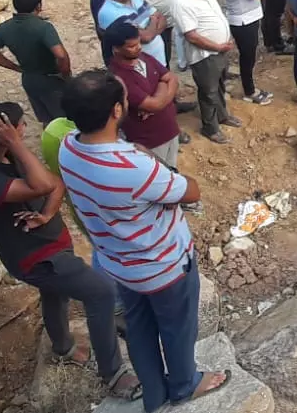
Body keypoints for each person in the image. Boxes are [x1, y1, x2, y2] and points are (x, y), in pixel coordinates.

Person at [55, 71, 224, 412]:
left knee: (140, 328)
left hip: (120, 265)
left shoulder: (68, 148)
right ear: (117, 111)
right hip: (164, 266)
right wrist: (151, 157)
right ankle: (183, 385)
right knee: (177, 329)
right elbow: (190, 190)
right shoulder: (133, 166)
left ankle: (153, 392)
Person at [0, 104, 140, 399]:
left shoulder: (4, 160)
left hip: (49, 247)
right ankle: (114, 374)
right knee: (101, 292)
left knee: (56, 295)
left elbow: (55, 184)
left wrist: (45, 214)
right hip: (38, 259)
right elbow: (43, 184)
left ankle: (63, 347)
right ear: (6, 135)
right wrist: (16, 146)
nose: (25, 131)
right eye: (20, 128)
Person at [169, 0, 242, 144]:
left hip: (220, 51)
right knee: (208, 92)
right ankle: (210, 128)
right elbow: (192, 36)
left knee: (220, 85)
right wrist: (218, 47)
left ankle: (222, 116)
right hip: (204, 56)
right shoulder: (180, 2)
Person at [0, 0, 72, 124]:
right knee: (65, 119)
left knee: (47, 120)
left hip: (29, 79)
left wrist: (15, 67)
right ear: (39, 6)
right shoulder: (43, 27)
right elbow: (60, 55)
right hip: (51, 79)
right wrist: (65, 74)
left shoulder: (4, 28)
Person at [104, 21, 182, 170]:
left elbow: (172, 78)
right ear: (116, 49)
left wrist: (159, 95)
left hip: (170, 129)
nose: (139, 47)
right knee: (158, 177)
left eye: (139, 43)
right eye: (132, 46)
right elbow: (155, 103)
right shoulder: (119, 77)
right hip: (149, 141)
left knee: (172, 170)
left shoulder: (144, 58)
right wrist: (162, 86)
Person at [220, 0, 273, 106]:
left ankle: (251, 88)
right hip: (242, 19)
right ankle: (249, 91)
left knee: (251, 54)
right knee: (247, 56)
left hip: (250, 15)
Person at [97, 0, 170, 69]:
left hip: (158, 60)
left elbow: (162, 19)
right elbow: (145, 38)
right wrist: (153, 21)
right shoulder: (108, 13)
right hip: (139, 68)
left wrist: (149, 32)